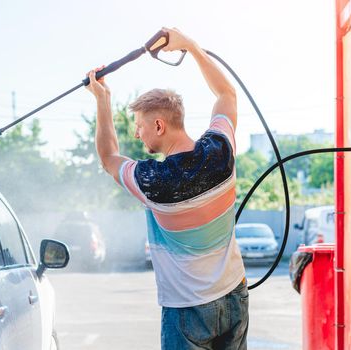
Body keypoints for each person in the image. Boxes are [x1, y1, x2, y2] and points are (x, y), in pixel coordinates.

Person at [86, 27, 247, 350]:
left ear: (159, 125)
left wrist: (103, 100)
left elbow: (108, 158)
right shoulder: (220, 150)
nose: (137, 134)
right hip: (234, 297)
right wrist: (191, 46)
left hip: (187, 311)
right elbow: (226, 95)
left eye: (140, 126)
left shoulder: (152, 181)